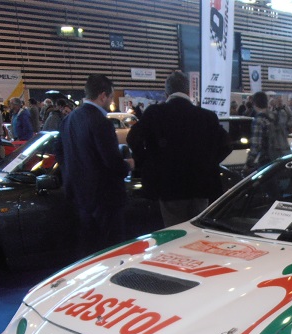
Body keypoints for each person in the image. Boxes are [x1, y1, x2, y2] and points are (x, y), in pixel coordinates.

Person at [126, 71, 231, 227]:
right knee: (198, 230)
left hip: (168, 185)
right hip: (200, 185)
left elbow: (133, 139)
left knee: (174, 231)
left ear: (166, 92)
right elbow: (226, 145)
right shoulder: (207, 116)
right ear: (188, 91)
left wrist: (148, 161)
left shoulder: (155, 114)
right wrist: (208, 162)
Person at [59, 74, 134, 256]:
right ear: (103, 96)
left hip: (80, 198)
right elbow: (111, 162)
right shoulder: (101, 122)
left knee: (89, 251)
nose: (111, 102)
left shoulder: (68, 120)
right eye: (111, 97)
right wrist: (128, 165)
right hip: (105, 199)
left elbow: (60, 154)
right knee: (111, 251)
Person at [245, 91, 290, 172]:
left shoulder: (259, 120)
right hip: (282, 156)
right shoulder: (276, 115)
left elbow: (256, 145)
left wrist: (249, 163)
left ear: (255, 104)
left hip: (267, 158)